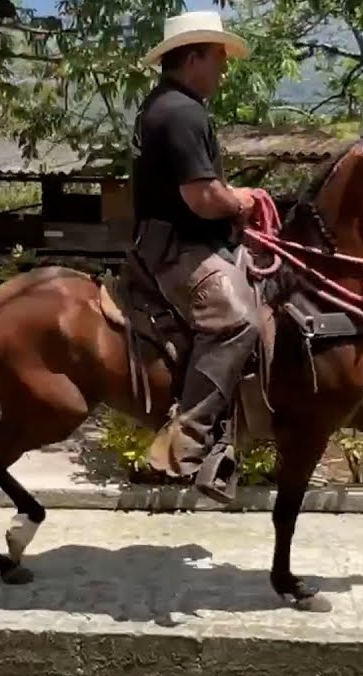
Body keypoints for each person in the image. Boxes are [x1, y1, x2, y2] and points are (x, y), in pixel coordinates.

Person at [127, 11, 259, 504]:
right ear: (195, 56)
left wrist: (235, 194)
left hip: (178, 241)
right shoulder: (183, 113)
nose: (223, 71)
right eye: (219, 59)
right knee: (237, 319)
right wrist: (241, 200)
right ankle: (187, 443)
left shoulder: (166, 106)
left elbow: (206, 188)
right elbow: (201, 198)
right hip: (180, 251)